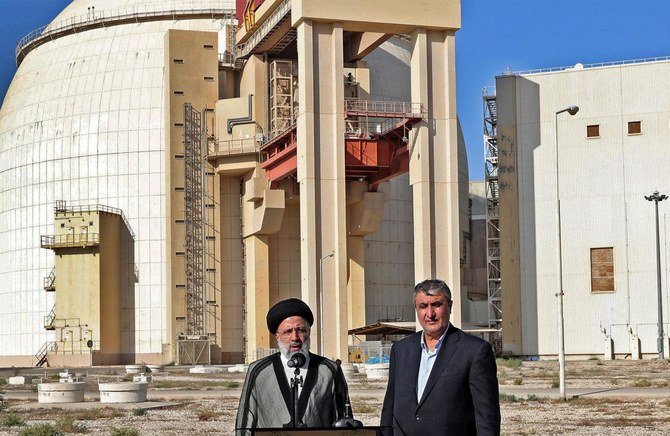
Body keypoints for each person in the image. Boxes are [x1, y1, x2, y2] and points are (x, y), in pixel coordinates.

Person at [381, 279, 501, 435]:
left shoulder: (475, 351)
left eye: (436, 305)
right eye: (423, 306)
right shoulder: (401, 350)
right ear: (416, 309)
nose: (430, 314)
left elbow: (487, 419)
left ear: (450, 306)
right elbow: (389, 410)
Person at [235, 298, 348, 435]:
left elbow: (344, 422)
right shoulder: (259, 371)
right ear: (277, 336)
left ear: (308, 332)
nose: (295, 337)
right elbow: (245, 423)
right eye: (288, 332)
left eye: (300, 330)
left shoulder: (329, 370)